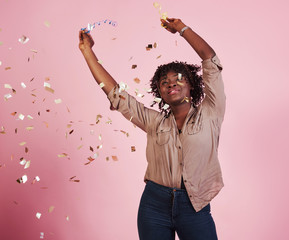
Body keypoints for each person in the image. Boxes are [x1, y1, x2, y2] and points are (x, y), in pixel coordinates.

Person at [79, 17, 225, 240]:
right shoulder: (154, 121)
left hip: (195, 206)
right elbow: (116, 95)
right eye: (164, 82)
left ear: (191, 85)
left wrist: (182, 29)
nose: (171, 83)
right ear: (160, 92)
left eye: (177, 79)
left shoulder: (211, 111)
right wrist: (87, 51)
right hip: (154, 205)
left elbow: (209, 58)